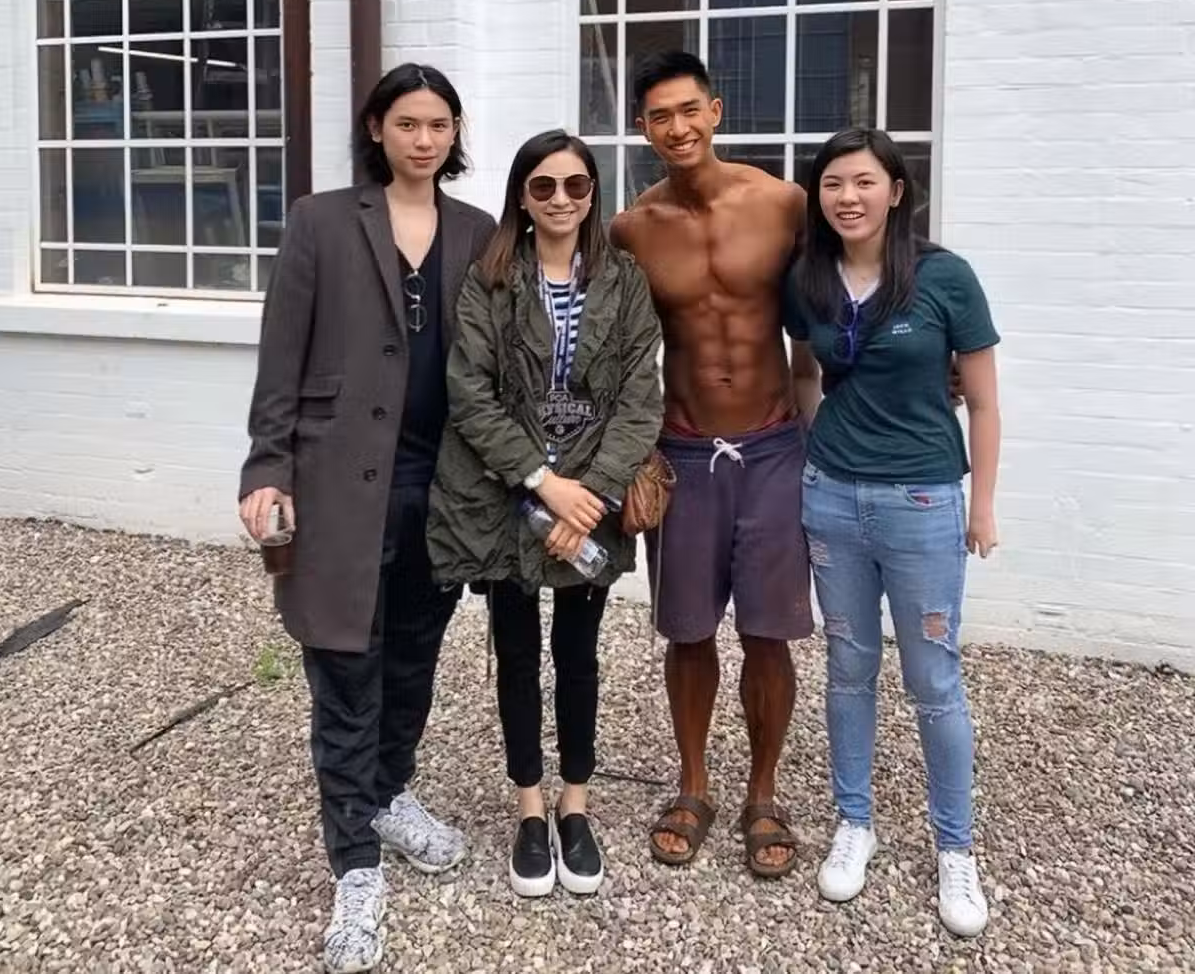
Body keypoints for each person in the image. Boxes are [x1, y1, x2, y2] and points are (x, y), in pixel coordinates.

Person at [238, 64, 496, 973]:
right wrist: (267, 465)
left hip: (443, 490)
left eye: (439, 125)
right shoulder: (319, 222)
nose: (424, 139)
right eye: (407, 123)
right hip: (339, 484)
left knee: (413, 662)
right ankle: (353, 862)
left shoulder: (479, 231)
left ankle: (387, 793)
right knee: (346, 671)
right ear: (378, 129)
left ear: (455, 134)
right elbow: (281, 354)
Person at [427, 129, 663, 898]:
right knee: (517, 654)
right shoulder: (492, 278)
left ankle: (575, 804)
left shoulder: (623, 281)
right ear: (522, 198)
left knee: (579, 655)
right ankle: (530, 808)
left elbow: (640, 398)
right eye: (543, 186)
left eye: (576, 185)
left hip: (591, 501)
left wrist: (588, 494)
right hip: (508, 502)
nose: (561, 199)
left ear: (593, 194)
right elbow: (470, 392)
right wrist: (541, 481)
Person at [783, 127, 1001, 937]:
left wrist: (982, 506)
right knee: (848, 667)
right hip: (832, 501)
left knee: (933, 677)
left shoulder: (944, 278)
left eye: (864, 182)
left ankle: (955, 845)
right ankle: (855, 822)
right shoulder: (808, 279)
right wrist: (819, 448)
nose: (848, 197)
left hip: (923, 501)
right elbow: (804, 371)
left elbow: (984, 400)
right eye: (833, 183)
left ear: (896, 191)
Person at [608, 51, 818, 879]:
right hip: (684, 450)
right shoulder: (632, 228)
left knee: (769, 632)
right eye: (660, 115)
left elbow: (853, 281)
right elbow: (612, 346)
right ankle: (693, 784)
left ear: (716, 111)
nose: (678, 127)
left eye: (689, 109)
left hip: (773, 444)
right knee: (688, 629)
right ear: (642, 128)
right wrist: (625, 451)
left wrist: (931, 352)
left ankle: (763, 792)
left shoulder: (783, 203)